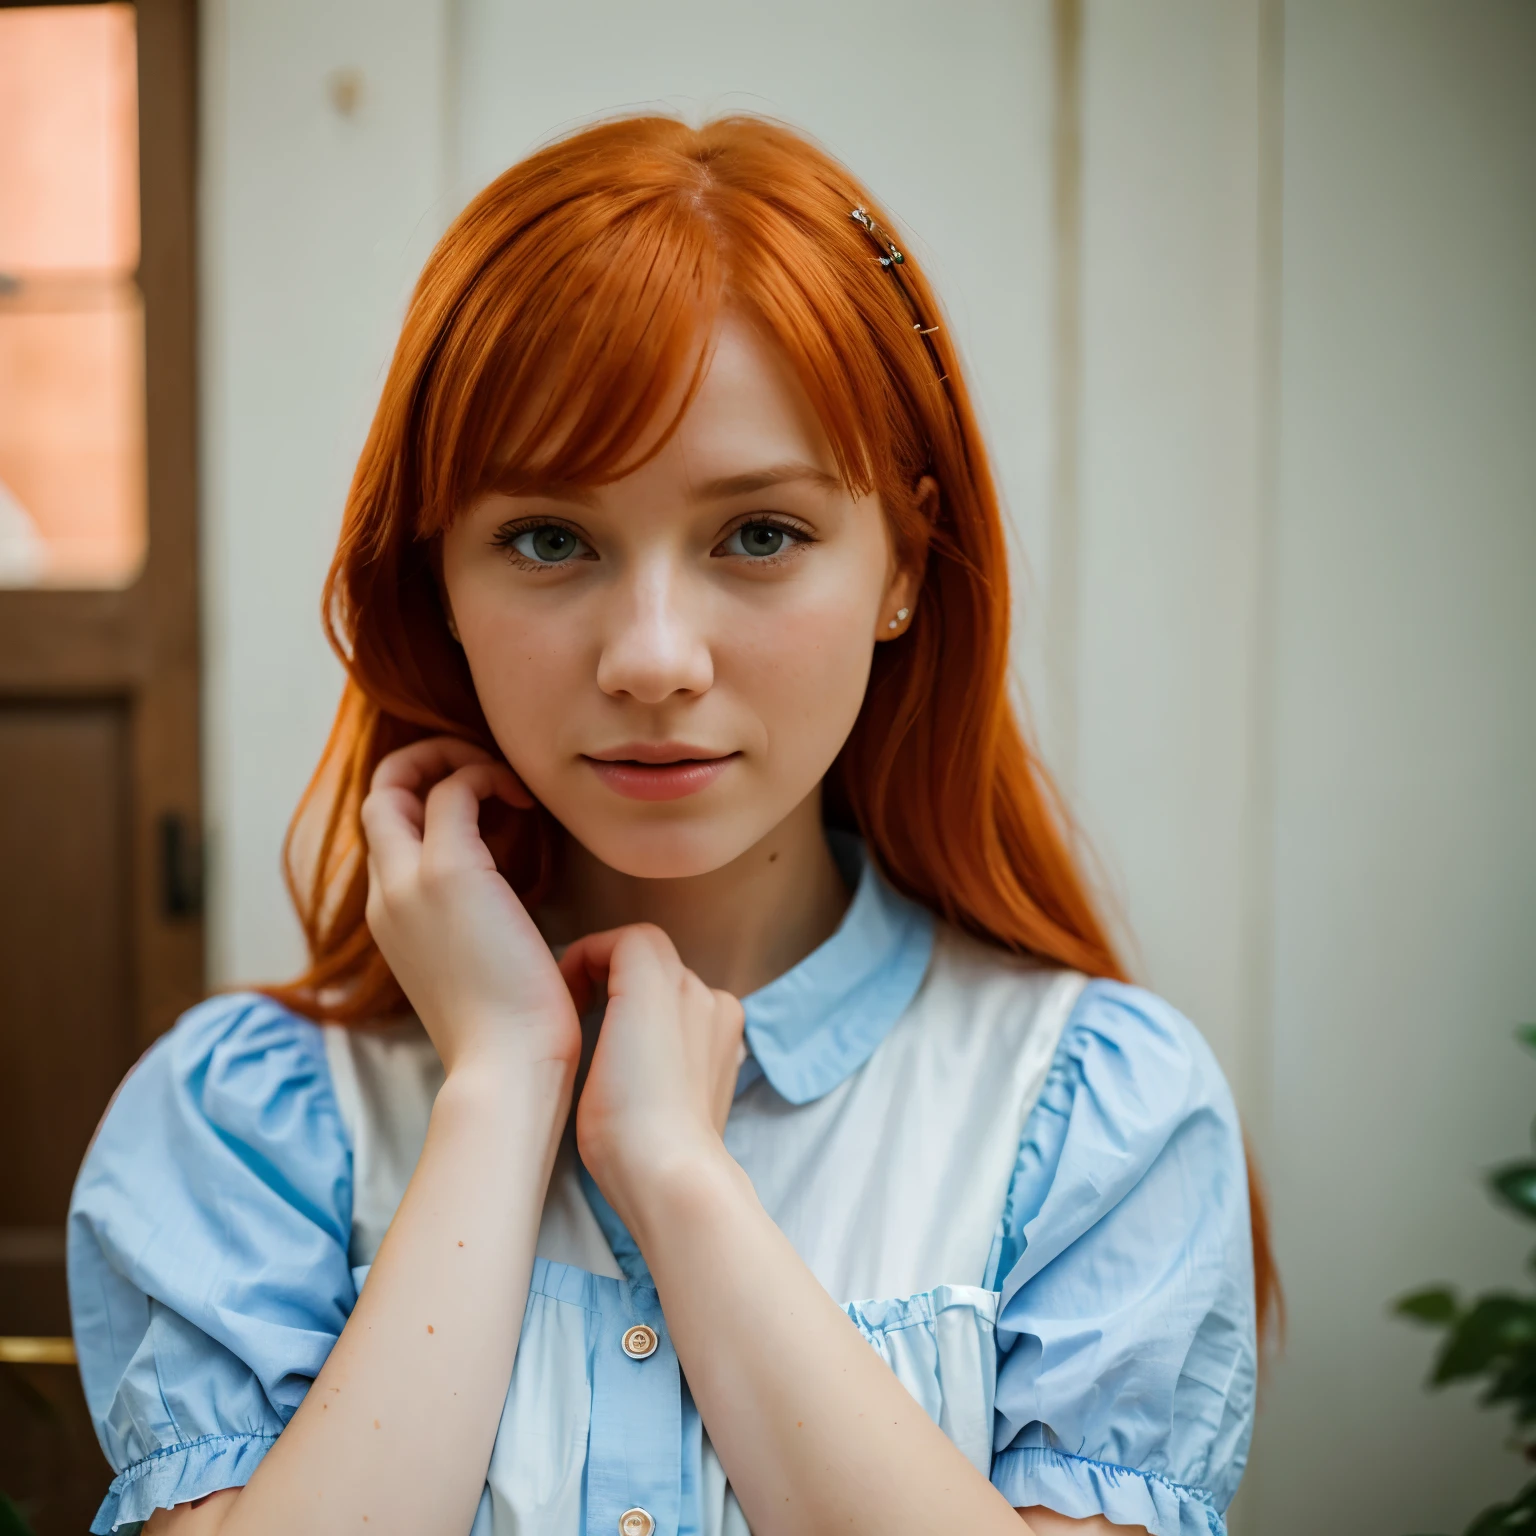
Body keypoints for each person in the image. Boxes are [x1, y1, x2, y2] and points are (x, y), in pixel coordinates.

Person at [67, 114, 1272, 1536]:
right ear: (437, 581)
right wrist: (506, 1082)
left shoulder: (1095, 1118)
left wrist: (680, 1178)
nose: (652, 657)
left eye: (758, 534)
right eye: (550, 539)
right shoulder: (245, 1131)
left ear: (905, 564)